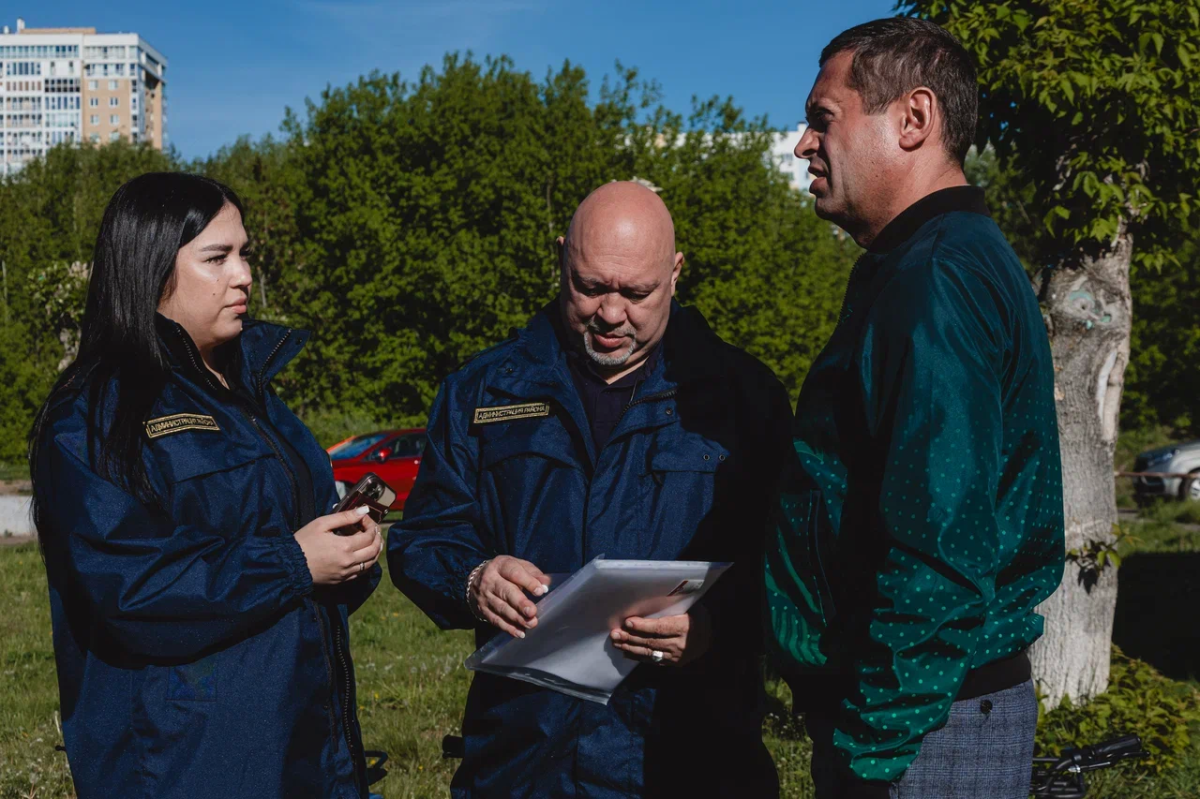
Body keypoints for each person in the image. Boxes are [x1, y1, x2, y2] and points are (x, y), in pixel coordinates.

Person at [390, 181, 791, 798]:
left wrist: (717, 625)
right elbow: (422, 539)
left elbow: (795, 571)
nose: (610, 313)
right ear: (560, 259)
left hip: (689, 762)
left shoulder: (742, 398)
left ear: (676, 273)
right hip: (522, 763)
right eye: (590, 286)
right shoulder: (482, 391)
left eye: (636, 293)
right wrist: (471, 581)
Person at [764, 18, 1065, 799]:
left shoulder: (935, 280)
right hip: (924, 711)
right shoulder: (935, 262)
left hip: (922, 727)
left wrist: (870, 753)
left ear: (914, 119)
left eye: (822, 118)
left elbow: (941, 552)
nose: (802, 143)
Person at [28, 173, 384, 799]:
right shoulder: (95, 418)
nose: (243, 275)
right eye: (216, 258)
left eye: (245, 254)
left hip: (306, 747)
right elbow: (131, 590)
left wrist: (350, 553)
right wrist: (294, 562)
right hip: (183, 763)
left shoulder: (262, 402)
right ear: (150, 269)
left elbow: (303, 566)